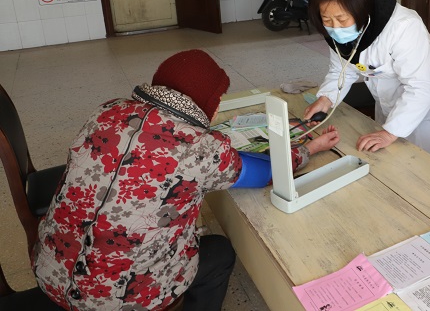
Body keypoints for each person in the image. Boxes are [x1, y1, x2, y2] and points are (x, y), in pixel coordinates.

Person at [33, 49, 339, 311]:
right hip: (114, 301)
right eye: (217, 99)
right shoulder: (199, 147)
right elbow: (266, 173)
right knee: (220, 252)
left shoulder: (107, 111)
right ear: (206, 101)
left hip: (50, 271)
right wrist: (309, 149)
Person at [304, 0, 430, 162]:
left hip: (428, 106)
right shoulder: (336, 33)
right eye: (327, 19)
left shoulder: (403, 27)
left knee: (424, 165)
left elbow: (421, 87)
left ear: (361, 10)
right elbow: (342, 70)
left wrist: (390, 133)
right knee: (391, 160)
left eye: (342, 19)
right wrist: (326, 99)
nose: (335, 28)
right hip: (389, 100)